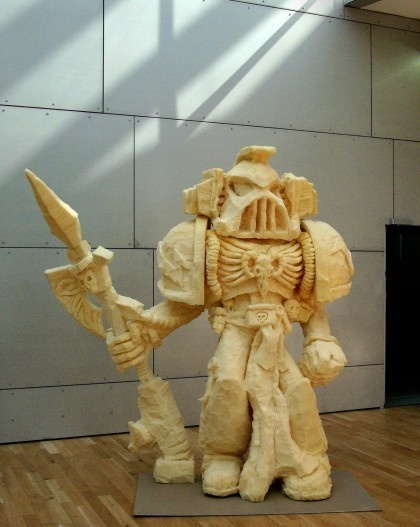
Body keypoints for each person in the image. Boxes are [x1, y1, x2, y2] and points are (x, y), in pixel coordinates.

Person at [106, 145, 354, 502]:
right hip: (236, 328)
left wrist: (320, 339)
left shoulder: (305, 244)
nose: (262, 200)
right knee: (227, 386)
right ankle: (223, 456)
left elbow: (310, 303)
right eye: (244, 189)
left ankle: (308, 460)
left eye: (272, 190)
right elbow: (187, 304)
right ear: (222, 194)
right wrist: (147, 328)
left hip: (275, 333)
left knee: (295, 390)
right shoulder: (207, 244)